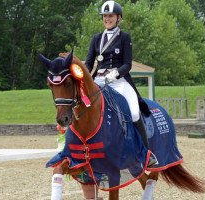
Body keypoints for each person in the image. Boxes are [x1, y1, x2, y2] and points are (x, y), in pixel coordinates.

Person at [85, 0, 157, 167]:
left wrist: (116, 73)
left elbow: (127, 64)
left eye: (111, 16)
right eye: (105, 16)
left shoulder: (124, 37)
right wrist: (85, 75)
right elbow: (89, 63)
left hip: (119, 81)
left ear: (118, 18)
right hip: (98, 81)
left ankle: (145, 153)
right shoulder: (96, 38)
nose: (107, 19)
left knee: (133, 112)